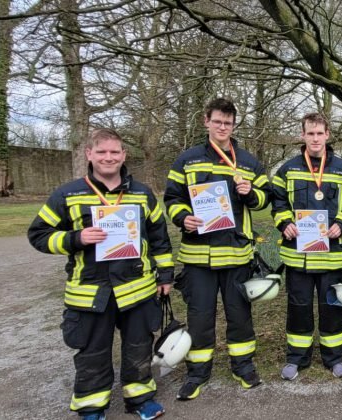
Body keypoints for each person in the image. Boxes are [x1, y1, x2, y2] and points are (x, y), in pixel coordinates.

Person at [28, 128, 173, 420]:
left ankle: (140, 398)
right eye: (102, 152)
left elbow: (159, 237)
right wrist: (76, 238)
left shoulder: (142, 194)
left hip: (137, 288)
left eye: (114, 152)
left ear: (123, 155)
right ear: (89, 154)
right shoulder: (67, 194)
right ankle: (92, 406)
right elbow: (38, 234)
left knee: (139, 347)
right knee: (92, 352)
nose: (109, 157)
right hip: (91, 291)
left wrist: (166, 275)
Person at [165, 98, 272, 400]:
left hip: (237, 252)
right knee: (200, 316)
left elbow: (266, 198)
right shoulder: (186, 160)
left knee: (240, 314)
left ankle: (243, 366)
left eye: (228, 122)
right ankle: (198, 372)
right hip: (198, 256)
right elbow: (172, 199)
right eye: (217, 121)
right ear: (206, 121)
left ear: (234, 125)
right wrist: (183, 217)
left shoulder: (249, 162)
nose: (223, 127)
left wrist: (251, 194)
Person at [271, 112, 342, 380]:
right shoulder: (287, 169)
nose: (315, 138)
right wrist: (284, 222)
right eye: (310, 133)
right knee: (298, 308)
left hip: (331, 256)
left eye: (319, 133)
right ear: (302, 135)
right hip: (297, 257)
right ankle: (296, 358)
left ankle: (334, 358)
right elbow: (277, 203)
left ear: (328, 135)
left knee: (331, 308)